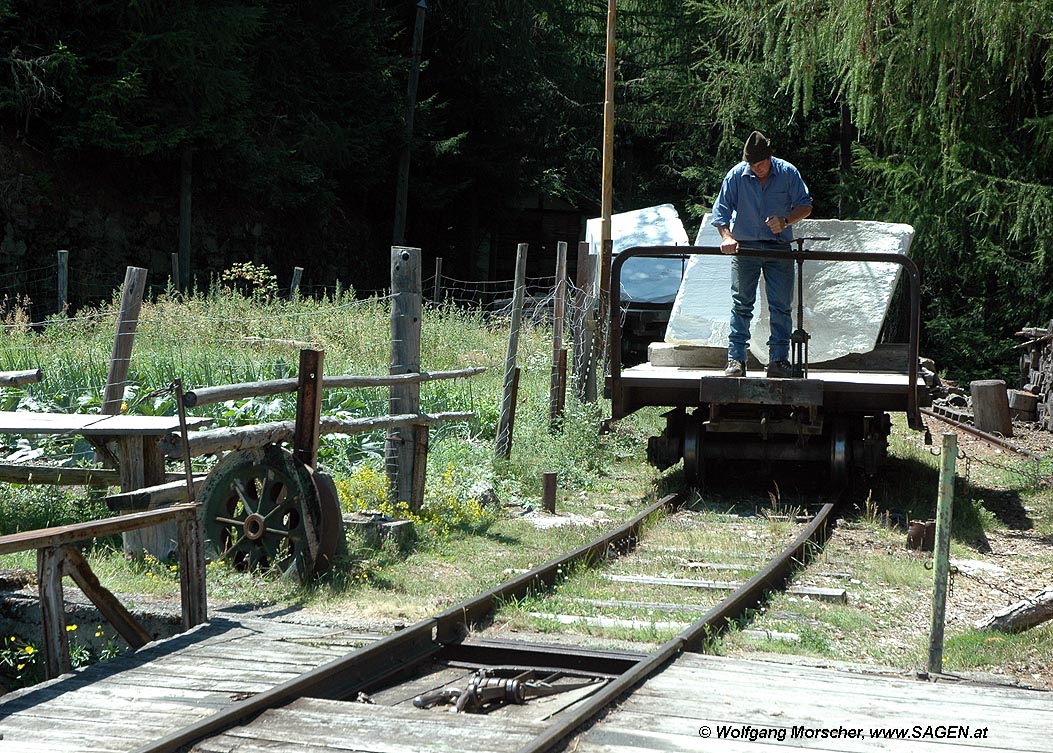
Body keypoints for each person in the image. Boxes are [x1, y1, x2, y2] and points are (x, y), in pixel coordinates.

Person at [711, 130, 812, 378]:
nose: (758, 169)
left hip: (779, 249)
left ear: (770, 157)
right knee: (741, 304)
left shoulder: (788, 172)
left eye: (762, 163)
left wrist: (786, 220)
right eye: (753, 165)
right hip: (744, 248)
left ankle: (778, 361)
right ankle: (736, 360)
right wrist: (727, 237)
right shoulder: (736, 175)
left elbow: (805, 205)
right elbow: (720, 212)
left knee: (781, 307)